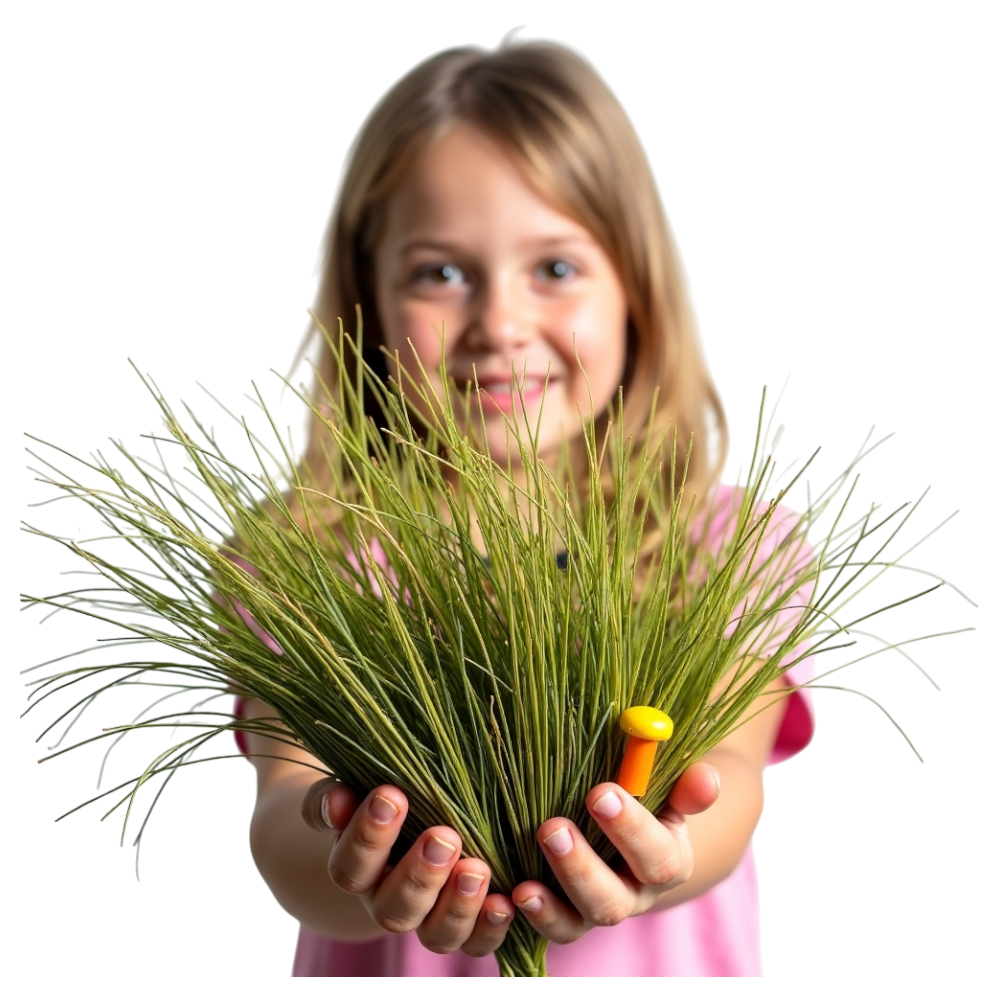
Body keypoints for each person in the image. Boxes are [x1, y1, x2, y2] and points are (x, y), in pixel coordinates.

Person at [224, 26, 818, 976]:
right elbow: (283, 818)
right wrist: (353, 865)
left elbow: (734, 783)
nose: (499, 325)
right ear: (368, 303)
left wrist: (660, 862)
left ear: (635, 291)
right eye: (442, 273)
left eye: (555, 267)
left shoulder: (733, 541)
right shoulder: (307, 553)